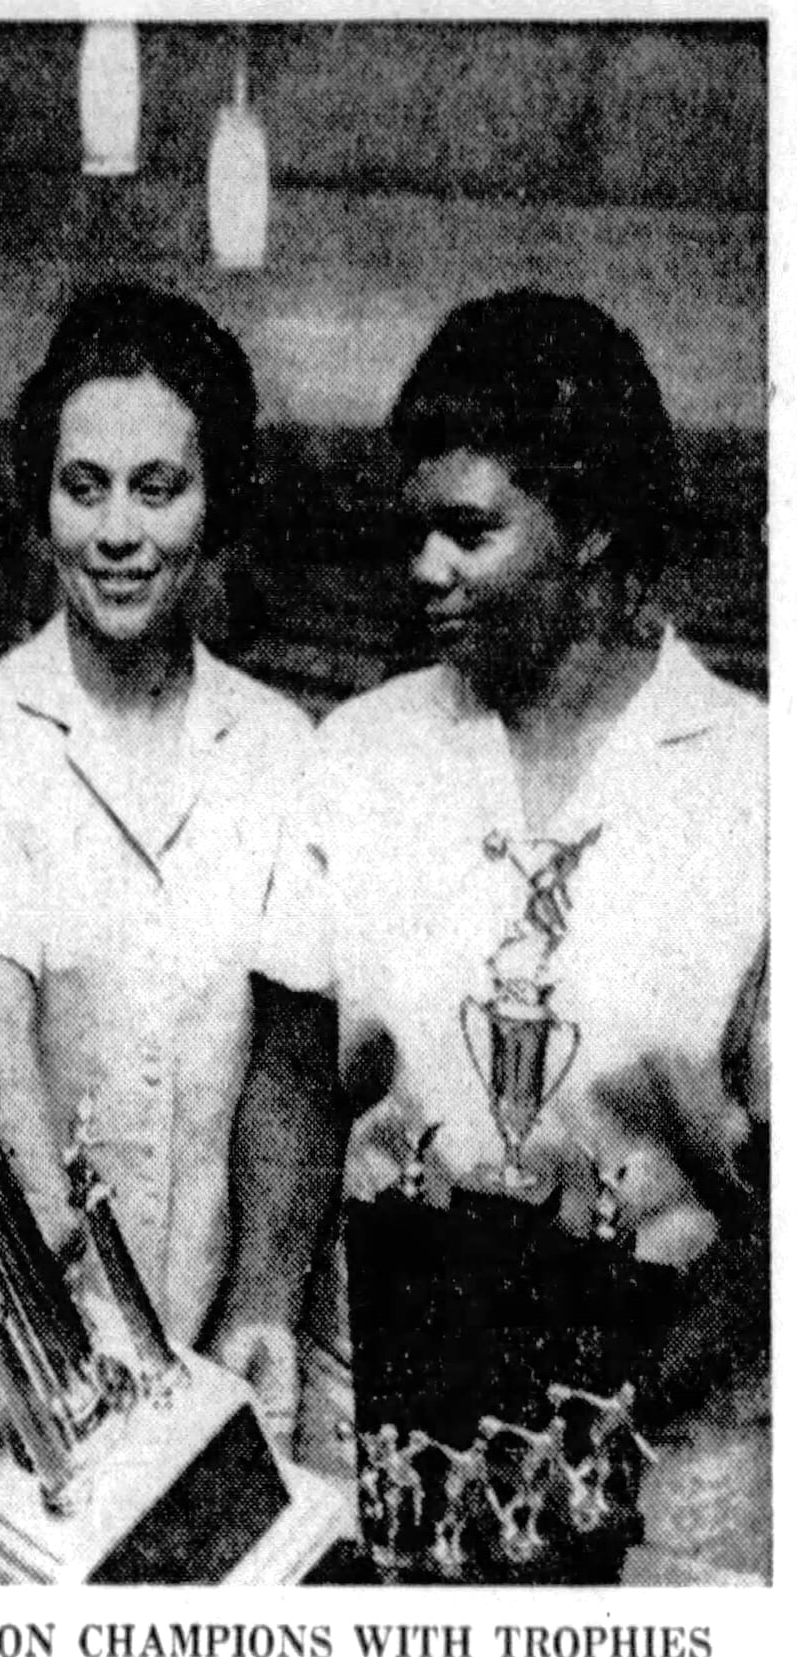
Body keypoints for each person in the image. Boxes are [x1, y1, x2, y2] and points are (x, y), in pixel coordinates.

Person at [255, 290, 768, 1579]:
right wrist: (262, 1302)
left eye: (469, 531)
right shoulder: (358, 758)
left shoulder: (757, 783)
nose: (425, 568)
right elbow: (291, 1078)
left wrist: (607, 1430)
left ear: (591, 526)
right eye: (414, 529)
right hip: (385, 1419)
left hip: (673, 1439)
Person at [0, 284, 339, 1434]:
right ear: (40, 495)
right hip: (40, 1333)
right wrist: (83, 1336)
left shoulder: (281, 748)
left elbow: (294, 1063)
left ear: (214, 503)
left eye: (158, 489)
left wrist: (259, 1305)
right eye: (83, 486)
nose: (116, 532)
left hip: (224, 1334)